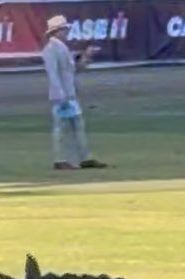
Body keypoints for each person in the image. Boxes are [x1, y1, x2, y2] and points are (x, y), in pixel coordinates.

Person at [41, 14, 107, 172]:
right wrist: (59, 95)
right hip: (63, 95)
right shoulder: (51, 49)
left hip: (69, 94)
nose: (66, 32)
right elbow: (53, 74)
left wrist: (86, 57)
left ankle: (84, 158)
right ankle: (60, 159)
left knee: (77, 126)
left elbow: (73, 70)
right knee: (61, 127)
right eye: (63, 29)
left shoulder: (61, 48)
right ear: (55, 31)